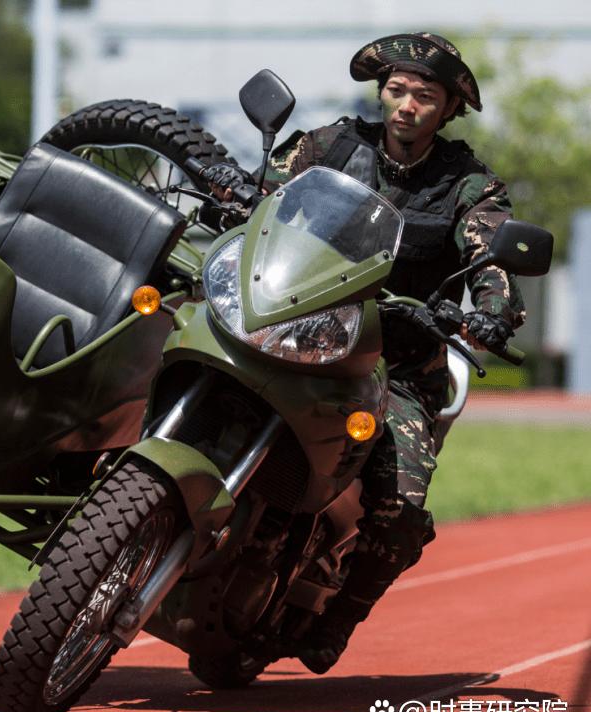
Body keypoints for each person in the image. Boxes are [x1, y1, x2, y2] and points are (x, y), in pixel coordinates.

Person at [203, 33, 526, 674]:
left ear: (448, 109)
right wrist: (229, 192)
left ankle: (342, 614)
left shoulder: (467, 183)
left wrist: (492, 310)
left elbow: (492, 259)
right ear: (381, 93)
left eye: (424, 96)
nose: (406, 105)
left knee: (399, 508)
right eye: (397, 90)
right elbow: (264, 197)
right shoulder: (330, 147)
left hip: (394, 367)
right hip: (294, 332)